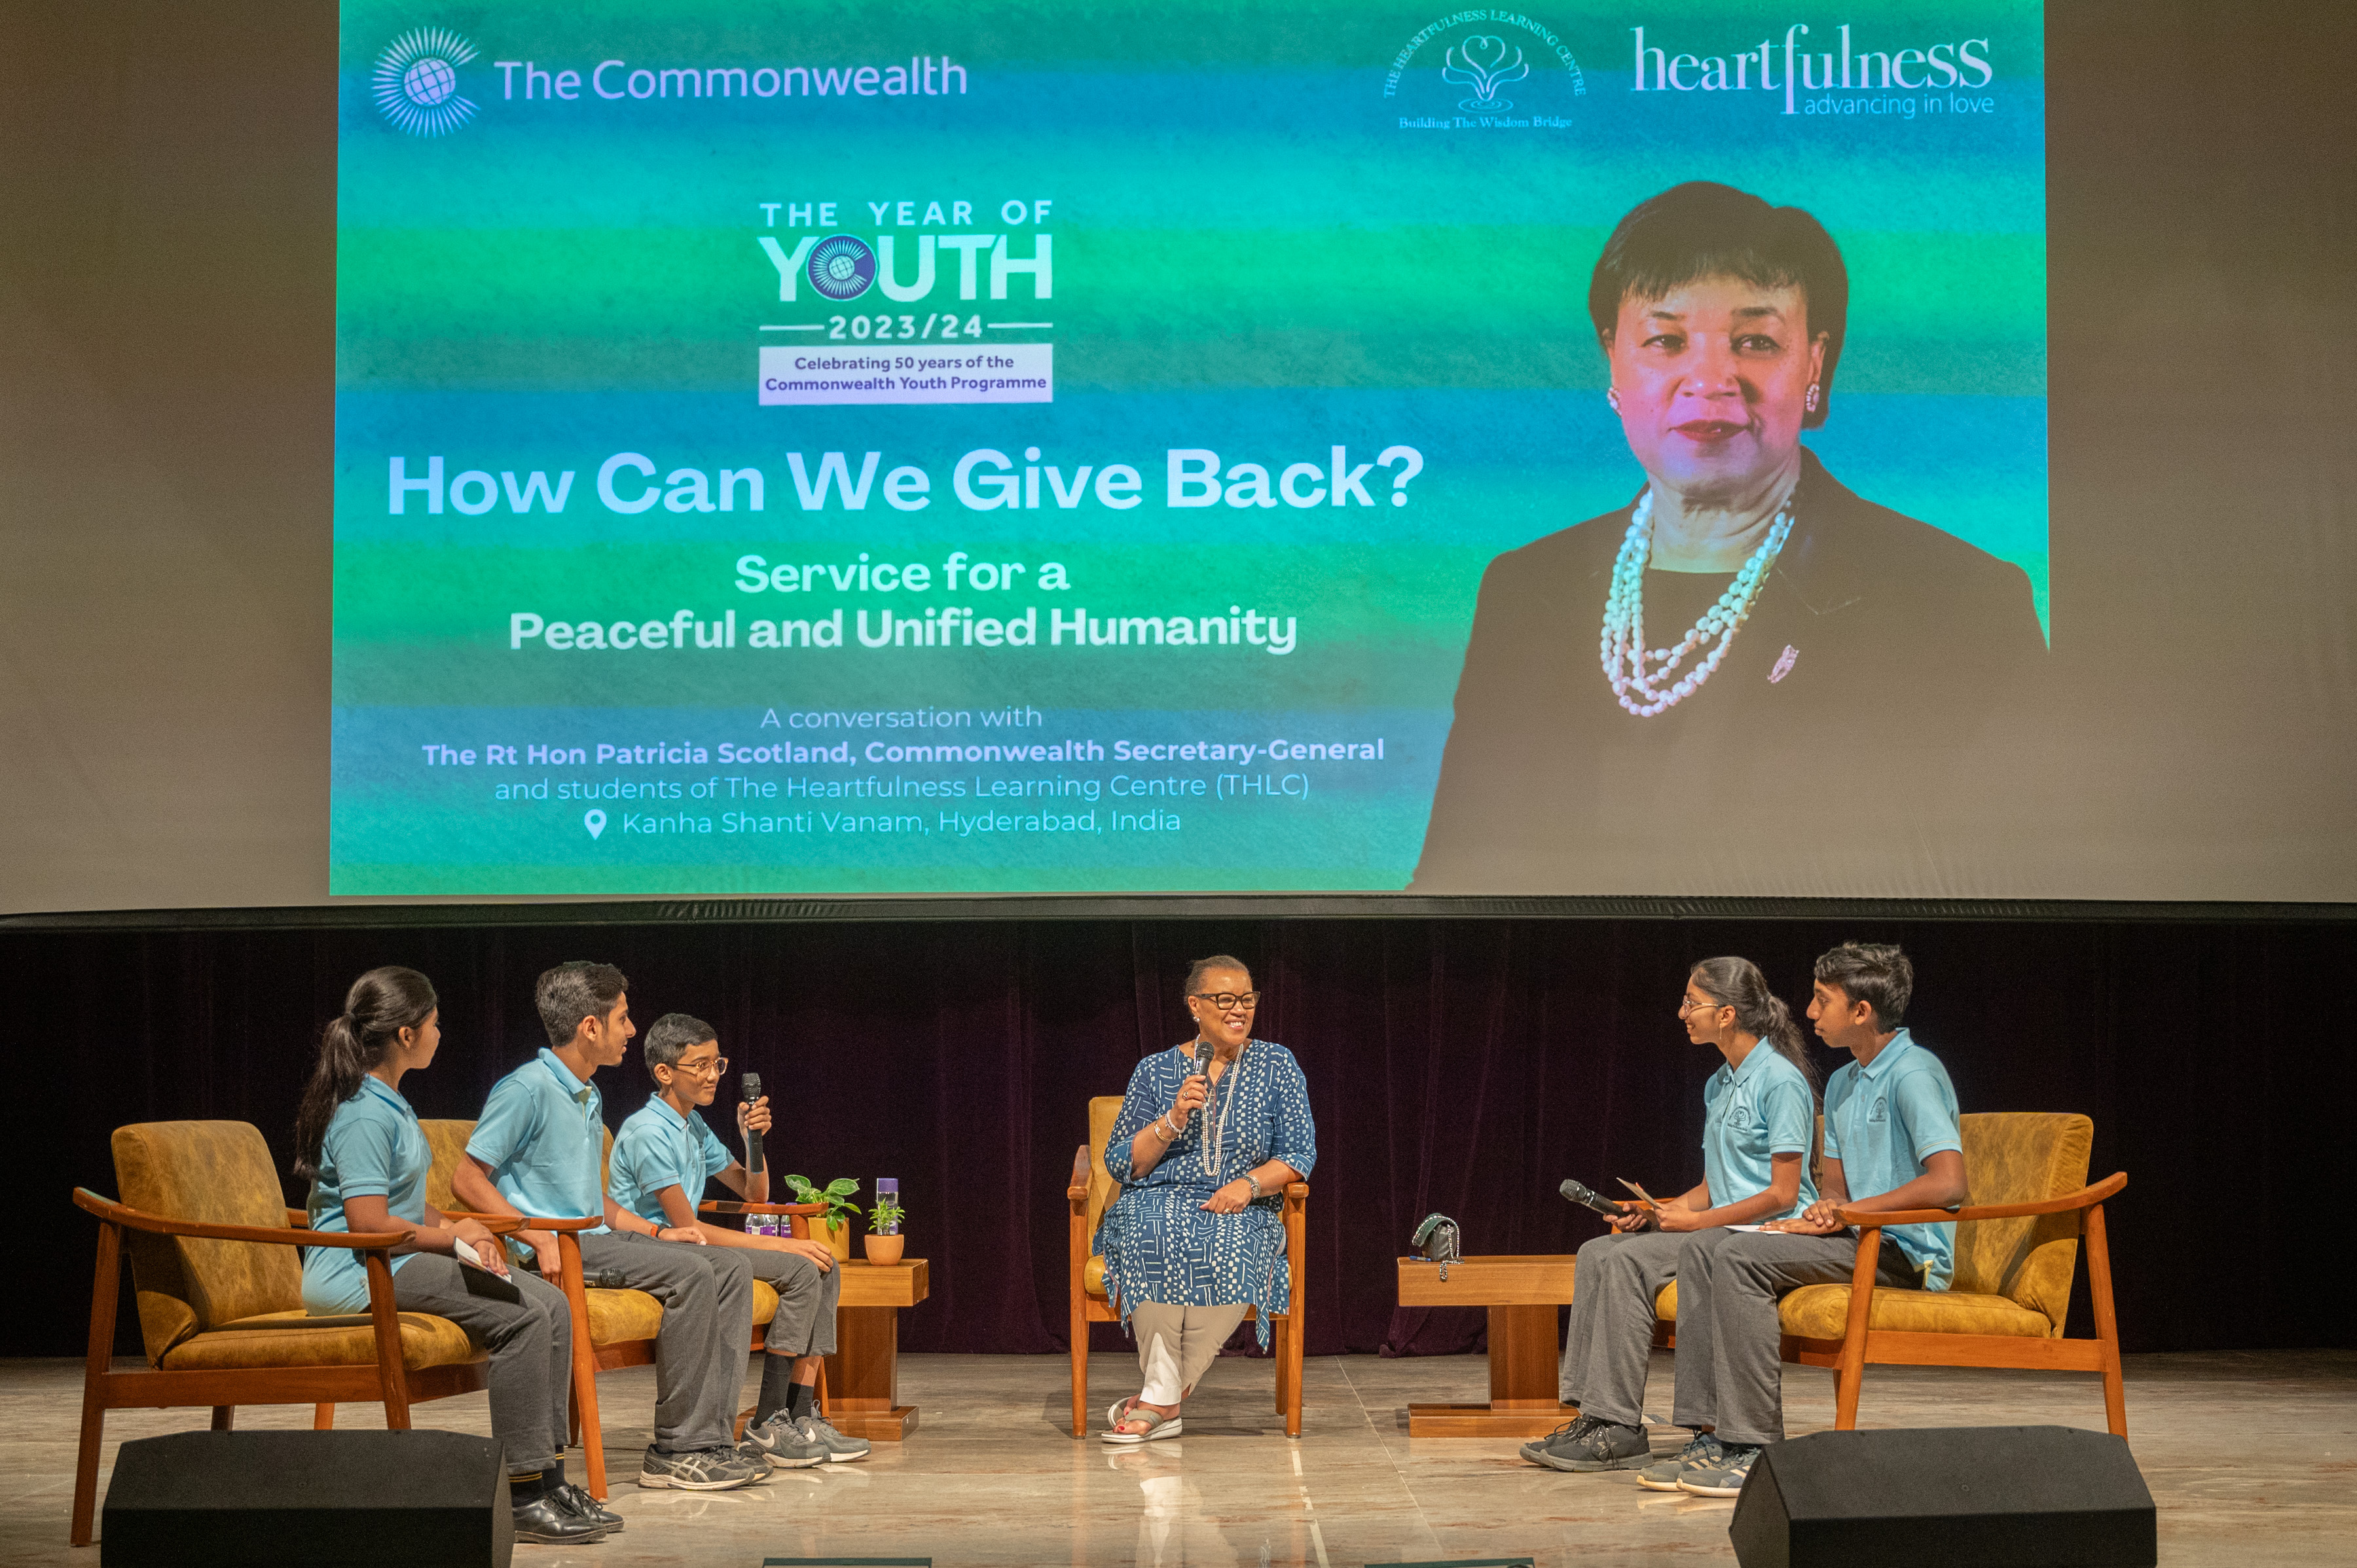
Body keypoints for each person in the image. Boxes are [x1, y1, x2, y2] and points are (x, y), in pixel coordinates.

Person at [1414, 180, 2047, 892]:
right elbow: (1453, 886)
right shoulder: (1527, 590)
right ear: (1613, 363)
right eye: (1666, 340)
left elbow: (2008, 894)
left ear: (1813, 363)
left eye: (1755, 341)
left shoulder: (1956, 602)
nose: (1711, 379)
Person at [294, 966, 613, 1545]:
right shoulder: (364, 1112)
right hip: (359, 1272)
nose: (443, 1034)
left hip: (391, 1261)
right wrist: (454, 1239)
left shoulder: (389, 1102)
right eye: (435, 1024)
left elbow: (407, 1206)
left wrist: (464, 1227)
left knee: (554, 1303)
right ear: (406, 1035)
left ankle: (548, 1475)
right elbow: (368, 1223)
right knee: (521, 1315)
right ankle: (520, 1491)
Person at [1637, 943, 1965, 1497]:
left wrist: (1850, 1212)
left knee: (1737, 1257)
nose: (1809, 1013)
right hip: (1858, 1239)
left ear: (1861, 1011)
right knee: (1705, 1248)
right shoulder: (1841, 1083)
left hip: (1906, 1253)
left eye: (1822, 999)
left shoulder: (1913, 1073)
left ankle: (1756, 1446)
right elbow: (1834, 1191)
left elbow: (1949, 1182)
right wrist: (1820, 1213)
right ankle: (1710, 1432)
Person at [450, 962, 767, 1491]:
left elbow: (589, 1198)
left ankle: (711, 1438)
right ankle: (676, 1448)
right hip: (559, 1247)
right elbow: (467, 1177)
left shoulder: (588, 1094)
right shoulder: (527, 1088)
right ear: (590, 1027)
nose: (631, 1030)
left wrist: (657, 1232)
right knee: (693, 1274)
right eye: (622, 1018)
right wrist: (535, 1235)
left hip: (595, 1238)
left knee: (730, 1266)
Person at [1527, 956, 1818, 1474]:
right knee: (1599, 1251)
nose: (1682, 1011)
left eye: (1692, 1002)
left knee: (1630, 1262)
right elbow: (1713, 1187)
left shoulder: (1780, 1080)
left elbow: (1782, 1193)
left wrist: (1698, 1223)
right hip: (1719, 1223)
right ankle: (1601, 1417)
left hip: (1760, 1232)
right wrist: (1658, 1209)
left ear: (1726, 1014)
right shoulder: (1719, 1084)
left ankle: (1629, 1426)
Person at [608, 1012, 869, 1468]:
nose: (713, 1075)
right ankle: (767, 1419)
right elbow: (688, 1228)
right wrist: (786, 1245)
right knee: (801, 1264)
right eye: (701, 1065)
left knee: (824, 1265)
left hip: (690, 1244)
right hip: (658, 1248)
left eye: (717, 1063)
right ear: (665, 1072)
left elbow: (755, 1193)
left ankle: (801, 1411)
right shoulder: (649, 1129)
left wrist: (753, 1140)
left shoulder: (693, 1125)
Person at [1094, 956, 1316, 1443]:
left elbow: (1300, 1153)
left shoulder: (1278, 1064)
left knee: (1233, 1245)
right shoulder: (1154, 1071)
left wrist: (1249, 1185)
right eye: (1225, 999)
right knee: (1151, 1230)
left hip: (1243, 1204)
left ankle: (1160, 1396)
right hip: (1159, 1196)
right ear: (1195, 1005)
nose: (1240, 1009)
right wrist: (1172, 1117)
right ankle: (1165, 1396)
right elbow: (1120, 1163)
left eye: (1247, 998)